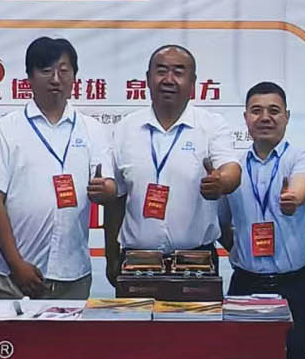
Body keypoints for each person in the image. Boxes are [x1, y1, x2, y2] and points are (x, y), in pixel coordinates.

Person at [217, 81, 305, 359]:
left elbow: (304, 182)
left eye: (274, 111)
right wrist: (241, 250)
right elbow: (222, 224)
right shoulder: (232, 169)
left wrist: (295, 196)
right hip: (245, 284)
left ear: (287, 117)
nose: (265, 118)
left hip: (293, 287)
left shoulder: (301, 158)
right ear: (245, 118)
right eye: (257, 111)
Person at [0, 36, 114, 299]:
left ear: (74, 77)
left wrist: (105, 189)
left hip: (73, 274)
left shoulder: (93, 129)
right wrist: (16, 264)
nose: (56, 79)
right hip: (15, 276)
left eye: (64, 71)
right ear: (29, 78)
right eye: (46, 71)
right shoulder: (5, 130)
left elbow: (109, 187)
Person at [100, 44, 241, 278]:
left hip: (196, 264)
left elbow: (232, 169)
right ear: (148, 78)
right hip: (137, 262)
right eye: (161, 71)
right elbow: (116, 199)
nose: (168, 79)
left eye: (178, 72)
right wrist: (111, 255)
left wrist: (221, 182)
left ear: (192, 82)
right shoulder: (126, 128)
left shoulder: (211, 125)